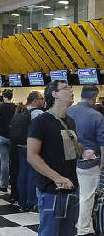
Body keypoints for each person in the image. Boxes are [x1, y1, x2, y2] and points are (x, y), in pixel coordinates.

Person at [28, 80, 84, 236]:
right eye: (66, 88)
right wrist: (57, 178)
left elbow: (71, 148)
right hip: (51, 191)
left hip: (72, 187)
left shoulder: (70, 122)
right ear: (54, 94)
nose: (71, 91)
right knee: (50, 232)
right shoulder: (41, 122)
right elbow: (32, 156)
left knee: (69, 231)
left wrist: (83, 152)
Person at [67, 85, 104, 236]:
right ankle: (83, 229)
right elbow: (102, 142)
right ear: (94, 97)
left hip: (69, 161)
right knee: (87, 197)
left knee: (74, 195)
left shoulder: (68, 111)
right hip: (89, 163)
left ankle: (80, 224)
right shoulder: (97, 116)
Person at [17, 91, 44, 212]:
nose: (43, 101)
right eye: (41, 99)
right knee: (32, 174)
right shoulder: (38, 113)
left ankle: (22, 201)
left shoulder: (23, 110)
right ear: (35, 101)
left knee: (22, 173)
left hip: (20, 145)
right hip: (32, 147)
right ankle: (32, 201)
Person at [0, 89, 17, 194]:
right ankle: (13, 183)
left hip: (1, 137)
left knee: (4, 162)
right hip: (13, 137)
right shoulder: (16, 108)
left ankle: (3, 185)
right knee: (14, 162)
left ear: (3, 96)